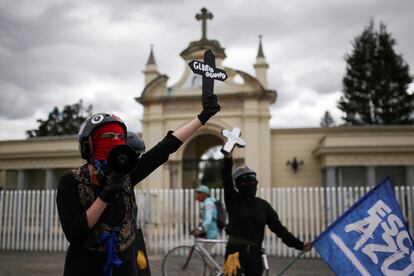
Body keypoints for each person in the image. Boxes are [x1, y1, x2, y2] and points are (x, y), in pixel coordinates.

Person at [56, 94, 220, 276]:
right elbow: (74, 233)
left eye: (120, 137)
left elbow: (166, 147)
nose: (115, 141)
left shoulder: (127, 174)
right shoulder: (71, 181)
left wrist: (203, 117)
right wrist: (105, 196)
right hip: (85, 266)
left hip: (125, 264)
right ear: (88, 145)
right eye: (108, 136)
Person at [221, 150, 312, 276]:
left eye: (253, 180)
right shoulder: (233, 200)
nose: (250, 184)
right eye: (245, 181)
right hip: (234, 254)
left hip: (255, 256)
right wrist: (228, 157)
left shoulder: (263, 206)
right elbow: (226, 178)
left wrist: (300, 245)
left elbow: (279, 230)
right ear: (237, 184)